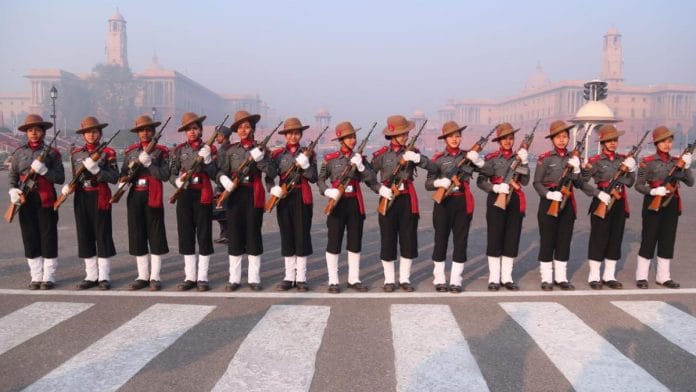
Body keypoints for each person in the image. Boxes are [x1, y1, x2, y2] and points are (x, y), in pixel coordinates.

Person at [369, 115, 435, 292]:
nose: (405, 136)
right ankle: (389, 280)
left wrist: (416, 159)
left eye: (406, 133)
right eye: (402, 133)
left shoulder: (413, 151)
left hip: (406, 198)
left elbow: (433, 167)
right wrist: (379, 188)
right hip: (388, 197)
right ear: (392, 135)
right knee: (388, 238)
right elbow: (368, 174)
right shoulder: (381, 155)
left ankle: (405, 279)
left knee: (408, 239)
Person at [217, 111, 277, 291]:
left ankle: (254, 278)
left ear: (253, 129)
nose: (243, 130)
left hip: (253, 194)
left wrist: (260, 160)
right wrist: (223, 180)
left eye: (247, 127)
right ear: (236, 130)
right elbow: (220, 170)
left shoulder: (262, 149)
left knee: (253, 234)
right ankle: (234, 278)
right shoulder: (229, 150)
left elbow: (272, 172)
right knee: (234, 235)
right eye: (240, 127)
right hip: (235, 194)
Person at [8, 114, 65, 290]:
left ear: (43, 132)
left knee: (48, 236)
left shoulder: (53, 153)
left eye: (37, 130)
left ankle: (48, 276)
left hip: (45, 198)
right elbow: (13, 175)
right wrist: (13, 190)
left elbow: (60, 178)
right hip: (25, 199)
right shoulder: (19, 153)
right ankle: (35, 276)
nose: (34, 133)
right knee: (29, 236)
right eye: (30, 130)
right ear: (26, 132)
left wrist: (44, 171)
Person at [318, 121, 376, 293]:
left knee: (355, 241)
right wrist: (327, 191)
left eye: (353, 137)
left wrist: (361, 166)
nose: (352, 140)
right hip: (337, 201)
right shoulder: (330, 159)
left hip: (354, 202)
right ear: (341, 140)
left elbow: (371, 178)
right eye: (348, 137)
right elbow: (320, 179)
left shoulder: (361, 159)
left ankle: (354, 278)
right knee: (334, 240)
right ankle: (333, 280)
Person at [62, 116, 118, 290]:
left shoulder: (108, 152)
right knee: (84, 234)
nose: (91, 135)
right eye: (88, 132)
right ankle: (91, 275)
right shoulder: (76, 154)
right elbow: (74, 177)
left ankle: (104, 276)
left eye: (94, 132)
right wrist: (69, 187)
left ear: (100, 133)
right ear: (83, 135)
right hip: (82, 196)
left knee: (102, 234)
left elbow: (115, 177)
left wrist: (97, 170)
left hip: (100, 195)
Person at [425, 121, 482, 293]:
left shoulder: (468, 156)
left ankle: (456, 279)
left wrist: (477, 160)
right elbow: (428, 184)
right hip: (443, 203)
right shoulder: (437, 159)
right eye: (451, 136)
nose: (455, 139)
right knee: (440, 239)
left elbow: (486, 170)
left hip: (461, 201)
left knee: (460, 240)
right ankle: (440, 278)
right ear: (445, 139)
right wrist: (439, 182)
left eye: (457, 136)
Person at [634, 125, 693, 289]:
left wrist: (687, 167)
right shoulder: (647, 162)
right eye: (662, 142)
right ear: (656, 143)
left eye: (669, 141)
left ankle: (664, 276)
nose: (666, 145)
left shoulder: (677, 161)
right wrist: (653, 191)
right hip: (653, 201)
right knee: (649, 237)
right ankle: (641, 276)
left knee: (668, 238)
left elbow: (690, 182)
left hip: (671, 203)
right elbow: (638, 185)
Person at [580, 124, 636, 290]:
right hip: (602, 200)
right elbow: (583, 182)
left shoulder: (623, 159)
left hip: (618, 201)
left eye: (615, 140)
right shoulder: (595, 161)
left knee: (615, 237)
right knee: (599, 237)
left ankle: (609, 275)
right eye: (609, 140)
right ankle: (594, 276)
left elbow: (631, 182)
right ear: (603, 142)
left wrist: (631, 170)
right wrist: (598, 193)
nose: (612, 143)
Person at [477, 122, 529, 291]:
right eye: (504, 139)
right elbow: (481, 181)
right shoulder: (491, 159)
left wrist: (525, 162)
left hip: (514, 200)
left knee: (511, 237)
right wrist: (495, 187)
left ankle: (507, 277)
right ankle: (494, 278)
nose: (508, 142)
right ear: (499, 141)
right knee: (495, 237)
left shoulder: (519, 157)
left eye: (511, 138)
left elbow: (525, 182)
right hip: (496, 199)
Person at [120, 115, 170, 291]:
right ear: (137, 133)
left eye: (149, 130)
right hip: (135, 197)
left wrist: (150, 164)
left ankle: (155, 276)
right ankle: (142, 276)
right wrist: (124, 181)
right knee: (137, 235)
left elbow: (165, 175)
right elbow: (123, 174)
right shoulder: (130, 152)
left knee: (155, 236)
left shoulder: (161, 151)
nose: (145, 133)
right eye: (142, 130)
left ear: (154, 132)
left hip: (153, 195)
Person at [533, 120, 584, 291]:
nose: (562, 140)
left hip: (567, 203)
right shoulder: (545, 159)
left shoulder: (574, 158)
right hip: (549, 201)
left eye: (565, 136)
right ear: (552, 139)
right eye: (558, 137)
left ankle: (561, 278)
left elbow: (578, 184)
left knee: (564, 240)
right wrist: (548, 194)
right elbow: (537, 182)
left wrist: (577, 171)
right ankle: (546, 278)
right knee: (548, 240)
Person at [270, 118, 318, 292]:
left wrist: (305, 165)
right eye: (290, 133)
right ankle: (289, 276)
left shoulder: (309, 154)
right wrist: (272, 189)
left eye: (297, 133)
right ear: (285, 135)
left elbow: (313, 177)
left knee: (302, 235)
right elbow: (269, 176)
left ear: (301, 135)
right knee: (287, 234)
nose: (293, 136)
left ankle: (302, 278)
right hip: (283, 196)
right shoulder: (277, 155)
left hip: (301, 195)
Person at [170, 112, 216, 292]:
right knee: (186, 235)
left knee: (204, 235)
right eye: (189, 129)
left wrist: (208, 160)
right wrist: (178, 182)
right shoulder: (179, 150)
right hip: (184, 194)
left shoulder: (209, 149)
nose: (192, 132)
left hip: (202, 194)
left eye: (195, 128)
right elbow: (171, 173)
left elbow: (214, 173)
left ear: (201, 130)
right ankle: (190, 276)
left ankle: (202, 277)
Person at [213, 125, 232, 244]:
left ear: (223, 136)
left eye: (218, 136)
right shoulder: (229, 148)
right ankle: (226, 234)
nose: (216, 138)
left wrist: (219, 188)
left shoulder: (223, 150)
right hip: (227, 182)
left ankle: (227, 234)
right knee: (223, 210)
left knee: (222, 210)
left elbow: (223, 169)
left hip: (224, 183)